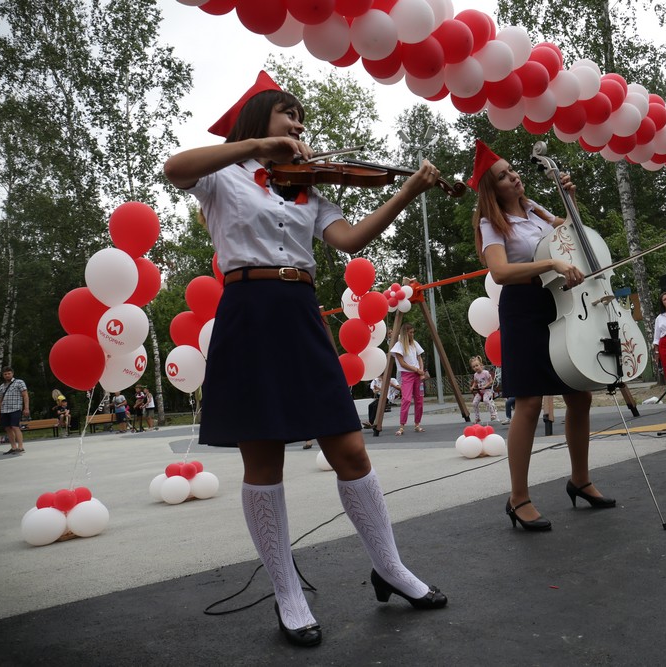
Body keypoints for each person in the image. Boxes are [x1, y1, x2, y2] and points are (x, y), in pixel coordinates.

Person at [163, 71, 447, 648]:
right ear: (258, 122)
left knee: (350, 448)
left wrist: (409, 191)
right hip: (248, 311)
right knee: (263, 459)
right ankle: (286, 590)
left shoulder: (307, 189)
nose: (298, 124)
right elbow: (173, 169)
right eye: (286, 114)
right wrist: (256, 148)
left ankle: (390, 568)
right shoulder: (222, 175)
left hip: (298, 310)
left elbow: (350, 241)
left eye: (301, 118)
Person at [469, 139, 615, 532]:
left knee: (579, 393)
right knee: (530, 402)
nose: (514, 176)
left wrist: (570, 200)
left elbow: (571, 239)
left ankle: (580, 480)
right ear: (492, 189)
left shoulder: (535, 209)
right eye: (503, 176)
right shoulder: (491, 223)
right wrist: (548, 262)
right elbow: (499, 272)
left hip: (556, 301)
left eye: (512, 170)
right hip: (521, 308)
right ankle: (518, 498)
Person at [389, 323, 428, 436]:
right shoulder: (399, 345)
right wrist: (416, 369)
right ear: (405, 333)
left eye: (413, 332)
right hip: (407, 375)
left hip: (417, 375)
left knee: (419, 400)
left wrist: (421, 370)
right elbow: (402, 363)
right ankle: (402, 426)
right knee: (406, 399)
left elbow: (419, 357)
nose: (412, 334)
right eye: (410, 332)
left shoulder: (415, 344)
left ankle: (417, 424)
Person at [0, 367, 29, 454]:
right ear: (3, 375)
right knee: (7, 428)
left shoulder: (19, 382)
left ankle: (20, 447)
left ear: (12, 373)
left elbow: (25, 395)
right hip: (4, 410)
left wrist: (26, 408)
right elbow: (0, 400)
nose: (7, 375)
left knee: (15, 427)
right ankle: (13, 447)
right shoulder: (2, 386)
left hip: (15, 408)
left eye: (9, 373)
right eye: (5, 374)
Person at [468, 356, 499, 424]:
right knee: (474, 403)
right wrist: (473, 386)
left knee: (486, 400)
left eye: (477, 365)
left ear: (481, 365)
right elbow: (475, 382)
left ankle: (493, 413)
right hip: (480, 392)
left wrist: (485, 386)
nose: (475, 367)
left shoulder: (485, 373)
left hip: (488, 391)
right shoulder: (475, 375)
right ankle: (477, 418)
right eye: (473, 367)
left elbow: (491, 381)